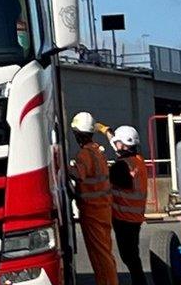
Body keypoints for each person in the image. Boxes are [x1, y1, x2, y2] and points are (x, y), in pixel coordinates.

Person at [68, 112, 119, 285]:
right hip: (102, 209)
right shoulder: (97, 151)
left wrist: (62, 167)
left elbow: (78, 175)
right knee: (105, 252)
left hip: (92, 211)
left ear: (78, 134)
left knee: (100, 256)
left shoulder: (84, 155)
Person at [108, 125, 151, 285]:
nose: (115, 145)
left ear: (123, 144)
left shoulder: (120, 166)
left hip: (123, 219)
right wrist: (109, 134)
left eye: (117, 142)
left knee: (129, 256)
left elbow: (110, 179)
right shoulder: (138, 161)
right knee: (133, 255)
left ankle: (140, 283)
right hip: (135, 217)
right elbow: (120, 150)